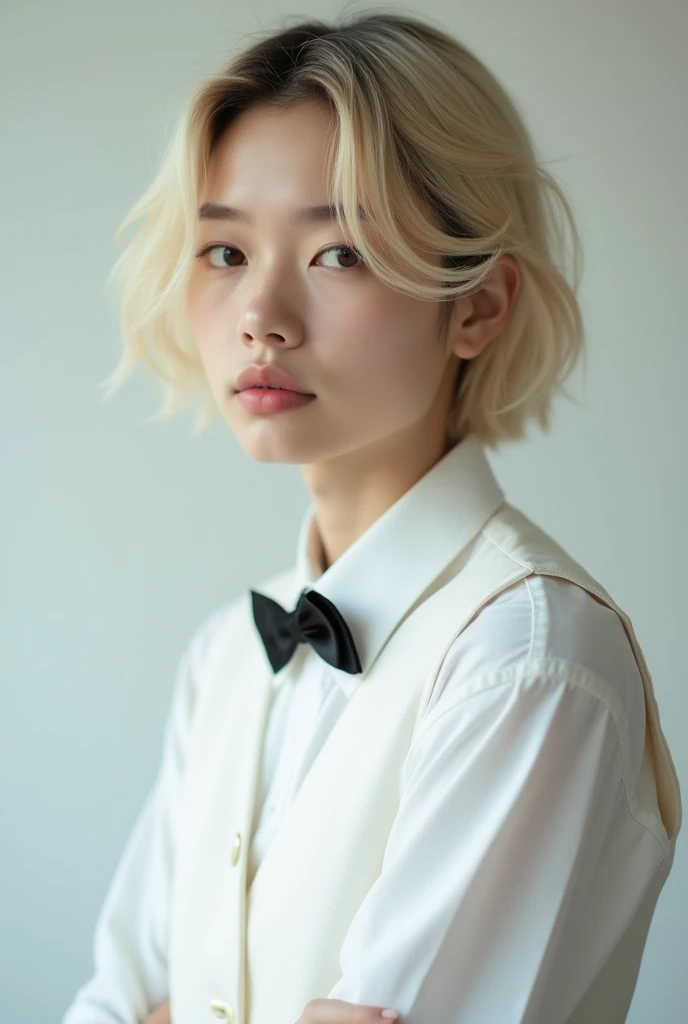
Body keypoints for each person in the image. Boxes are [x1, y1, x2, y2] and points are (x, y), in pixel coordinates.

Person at [61, 10, 682, 1024]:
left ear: (477, 304)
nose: (260, 313)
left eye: (337, 252)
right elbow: (111, 999)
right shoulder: (226, 656)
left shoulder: (528, 658)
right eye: (222, 250)